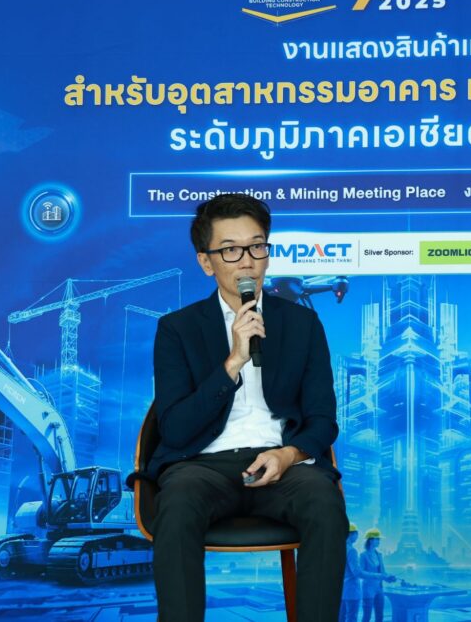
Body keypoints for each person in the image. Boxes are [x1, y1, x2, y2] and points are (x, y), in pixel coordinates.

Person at [146, 193, 347, 622]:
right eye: (231, 250)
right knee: (177, 503)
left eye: (257, 247)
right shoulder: (177, 329)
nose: (247, 262)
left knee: (324, 501)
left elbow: (322, 419)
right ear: (206, 262)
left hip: (281, 466)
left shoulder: (303, 324)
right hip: (201, 466)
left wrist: (288, 455)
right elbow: (175, 428)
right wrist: (233, 361)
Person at [359, 528, 396, 622]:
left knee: (380, 616)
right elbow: (360, 573)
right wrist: (378, 575)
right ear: (371, 540)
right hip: (368, 589)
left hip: (379, 588)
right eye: (377, 539)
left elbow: (382, 573)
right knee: (367, 616)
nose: (379, 541)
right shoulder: (363, 555)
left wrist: (388, 578)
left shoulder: (379, 555)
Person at [340, 523, 363, 622]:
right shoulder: (352, 550)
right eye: (357, 534)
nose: (357, 536)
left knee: (341, 617)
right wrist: (381, 576)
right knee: (351, 617)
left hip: (341, 590)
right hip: (351, 591)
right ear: (351, 534)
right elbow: (357, 573)